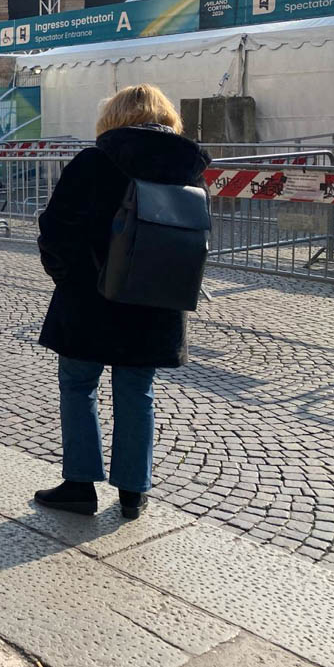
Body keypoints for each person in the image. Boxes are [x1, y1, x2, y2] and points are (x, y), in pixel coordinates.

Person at [32, 84, 211, 522]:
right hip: (155, 299)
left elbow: (54, 228)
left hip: (89, 299)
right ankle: (133, 491)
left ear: (113, 116)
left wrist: (70, 278)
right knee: (137, 391)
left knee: (78, 386)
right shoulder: (185, 166)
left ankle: (79, 485)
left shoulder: (94, 161)